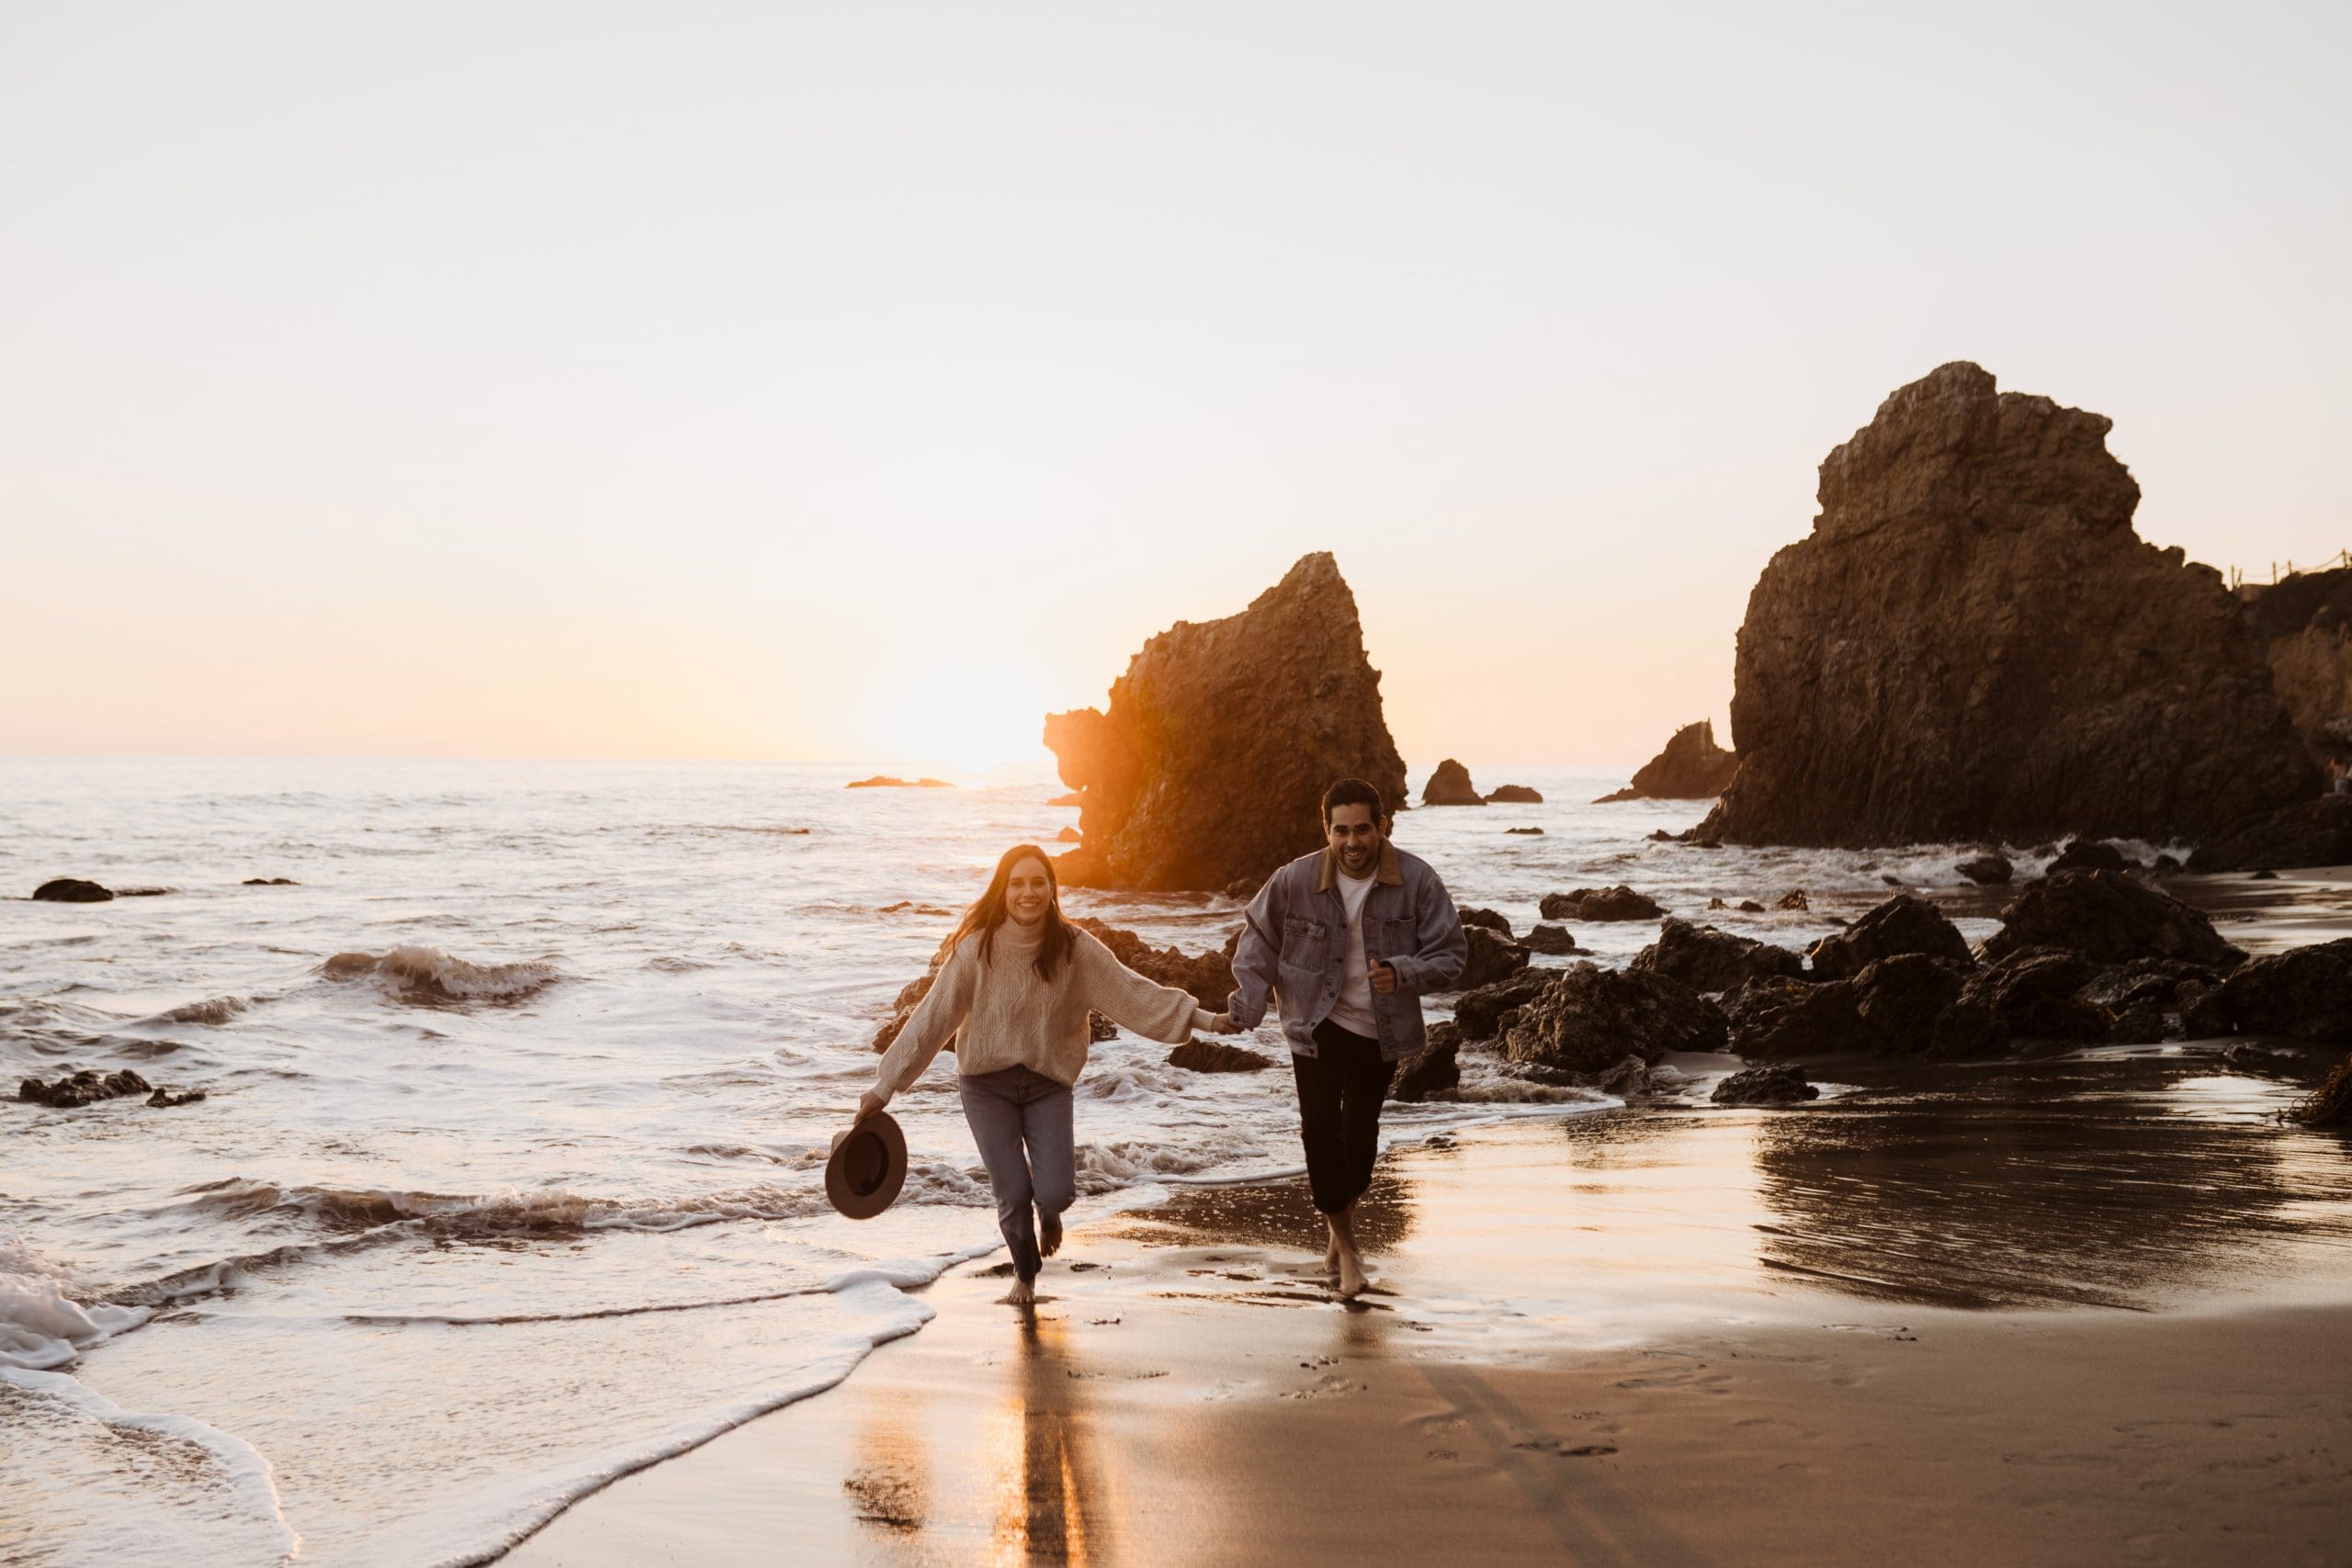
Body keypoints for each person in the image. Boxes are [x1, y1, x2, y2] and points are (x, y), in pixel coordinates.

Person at [857, 843, 1230, 1304]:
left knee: (1054, 1192)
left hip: (1048, 1085)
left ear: (1052, 889)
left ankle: (1050, 1216)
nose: (1028, 892)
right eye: (1017, 883)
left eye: (1038, 882)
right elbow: (931, 1019)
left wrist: (1206, 1019)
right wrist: (885, 1085)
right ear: (1003, 889)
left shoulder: (1075, 948)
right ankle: (1025, 1274)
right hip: (985, 1086)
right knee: (1012, 1192)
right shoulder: (977, 949)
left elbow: (1133, 993)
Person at [1226, 778, 1466, 1298]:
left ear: (1382, 826)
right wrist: (1247, 1004)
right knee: (1319, 1129)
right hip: (1314, 1023)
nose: (1352, 842)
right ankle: (1350, 1249)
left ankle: (1336, 1233)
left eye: (1363, 829)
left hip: (1381, 1029)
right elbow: (1257, 939)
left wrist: (1403, 972)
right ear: (1327, 829)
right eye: (1341, 831)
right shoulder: (1295, 879)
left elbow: (1452, 953)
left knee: (1360, 1140)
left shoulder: (1418, 881)